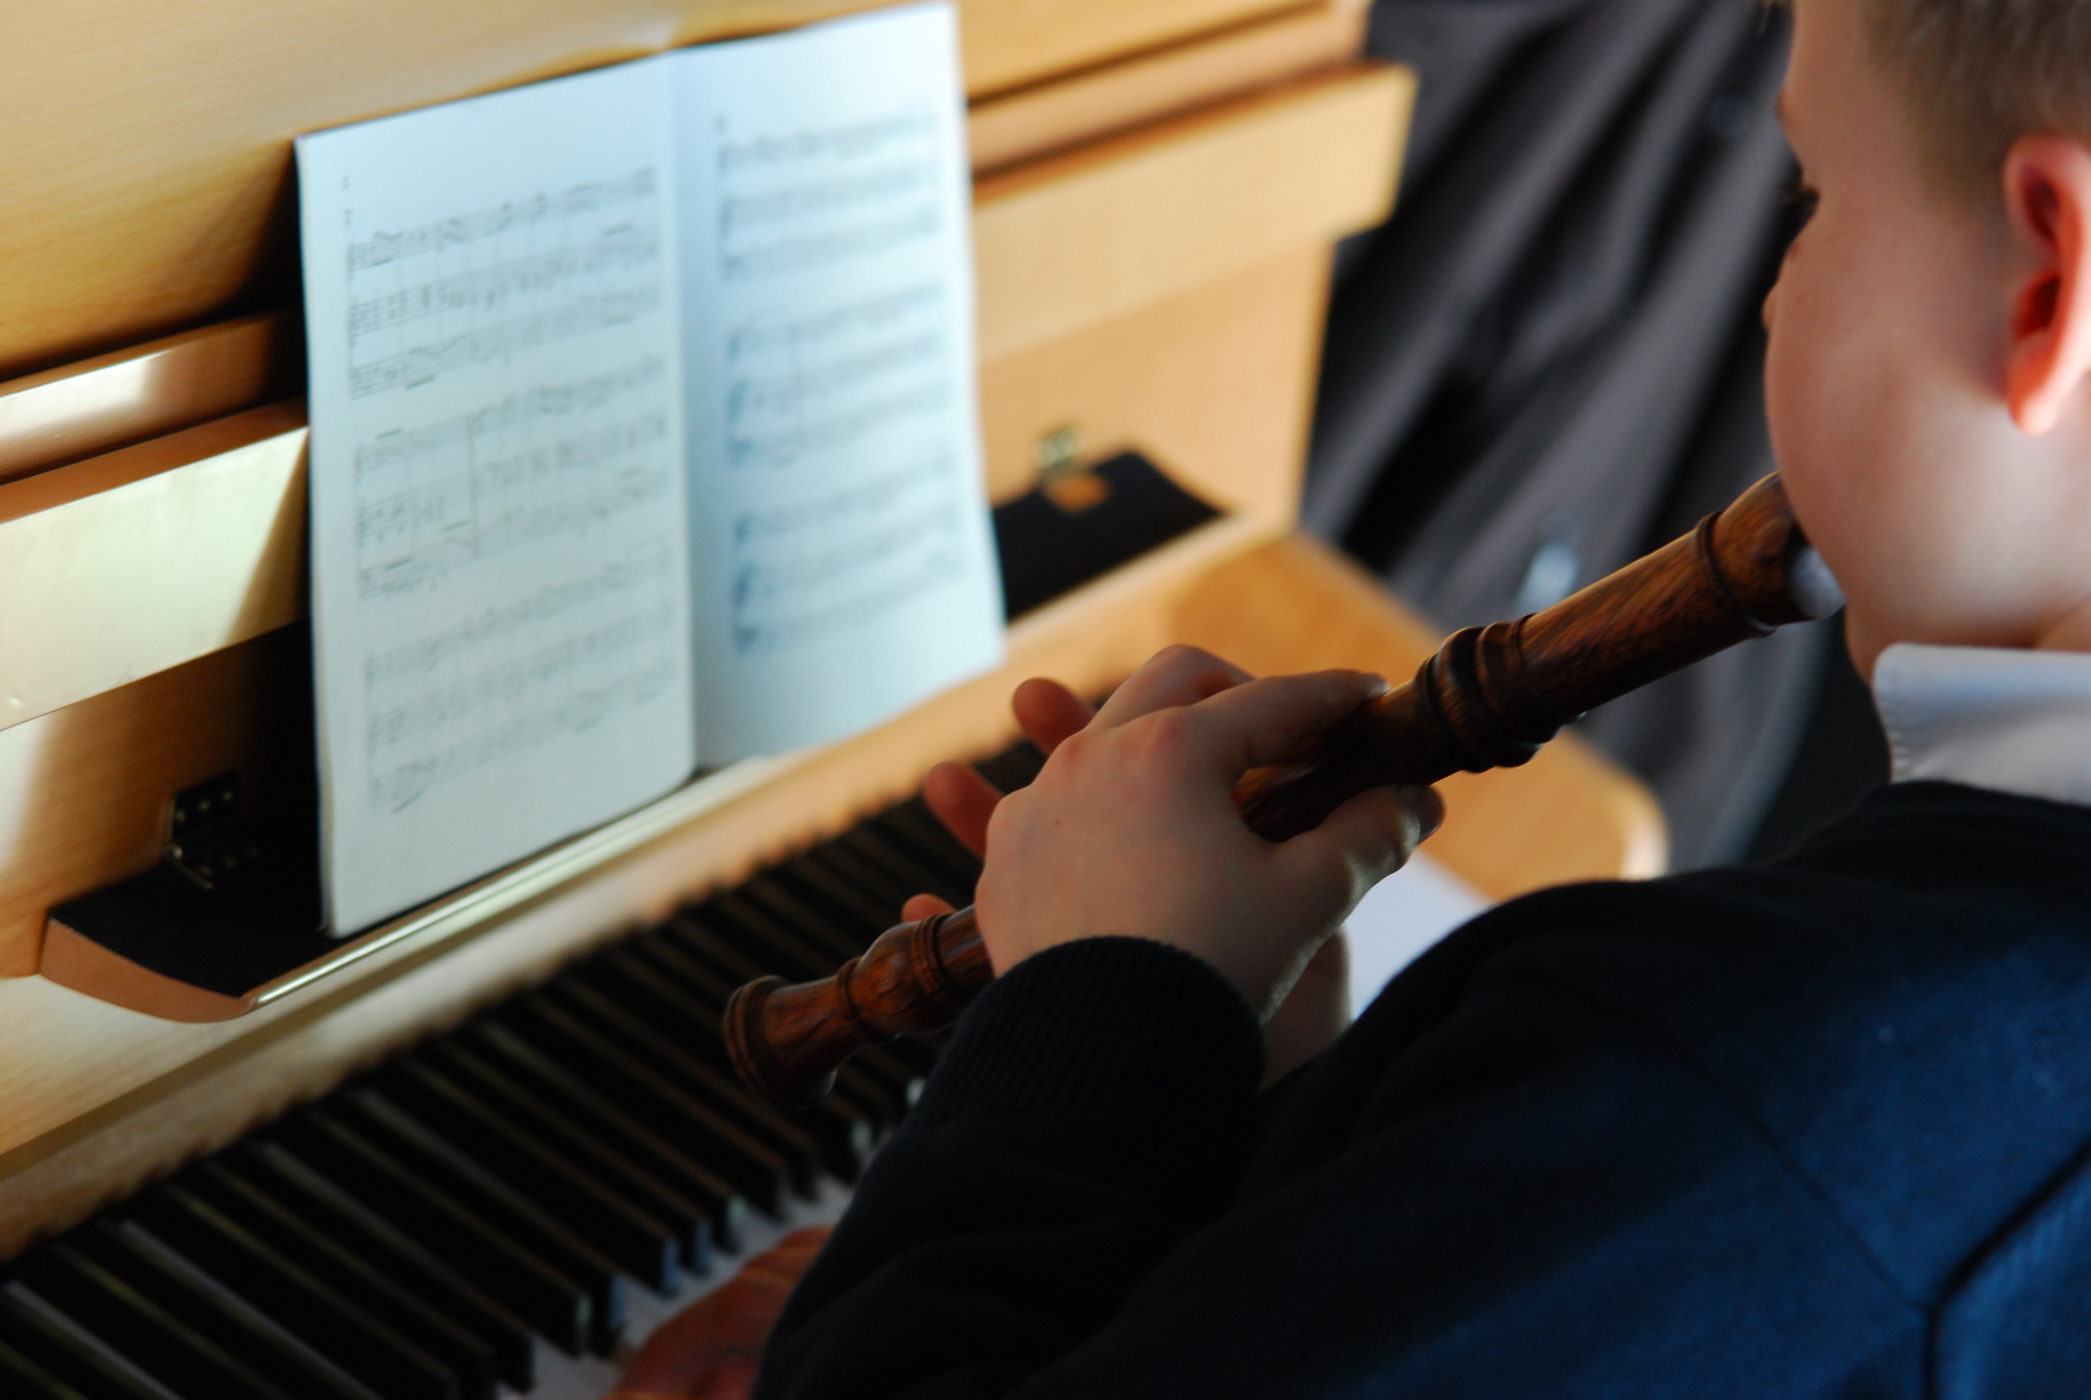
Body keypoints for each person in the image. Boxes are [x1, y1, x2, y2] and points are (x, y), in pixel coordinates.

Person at [615, 0, 2091, 1392]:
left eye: (1811, 194)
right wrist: (1263, 1144)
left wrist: (1087, 1037)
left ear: (2047, 283)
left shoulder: (1715, 1084)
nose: (1776, 282)